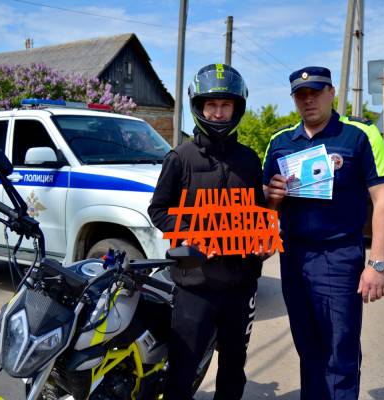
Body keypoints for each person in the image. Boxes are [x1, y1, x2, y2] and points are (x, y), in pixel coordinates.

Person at [262, 66, 384, 400]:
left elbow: (383, 200)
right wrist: (272, 198)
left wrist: (377, 264)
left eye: (316, 92)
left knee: (340, 352)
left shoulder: (359, 135)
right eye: (301, 95)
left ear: (332, 93)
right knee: (308, 349)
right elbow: (265, 206)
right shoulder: (279, 143)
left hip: (339, 257)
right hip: (293, 257)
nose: (309, 100)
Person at [148, 63, 266, 400]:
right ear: (198, 108)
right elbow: (158, 210)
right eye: (210, 105)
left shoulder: (249, 160)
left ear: (236, 108)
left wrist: (263, 239)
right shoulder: (180, 158)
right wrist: (189, 232)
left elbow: (257, 214)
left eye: (225, 105)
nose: (218, 113)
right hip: (194, 285)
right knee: (183, 366)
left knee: (233, 365)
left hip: (241, 284)